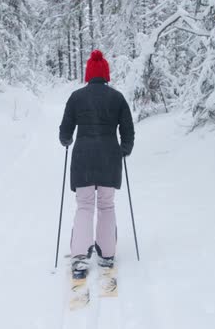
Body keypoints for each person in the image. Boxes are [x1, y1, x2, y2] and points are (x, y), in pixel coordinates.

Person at [59, 50, 135, 279]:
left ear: (88, 74)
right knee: (106, 205)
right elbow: (128, 129)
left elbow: (65, 130)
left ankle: (80, 258)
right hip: (109, 158)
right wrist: (124, 149)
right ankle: (107, 253)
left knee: (84, 206)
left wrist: (66, 140)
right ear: (106, 74)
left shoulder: (76, 97)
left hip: (83, 158)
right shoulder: (117, 97)